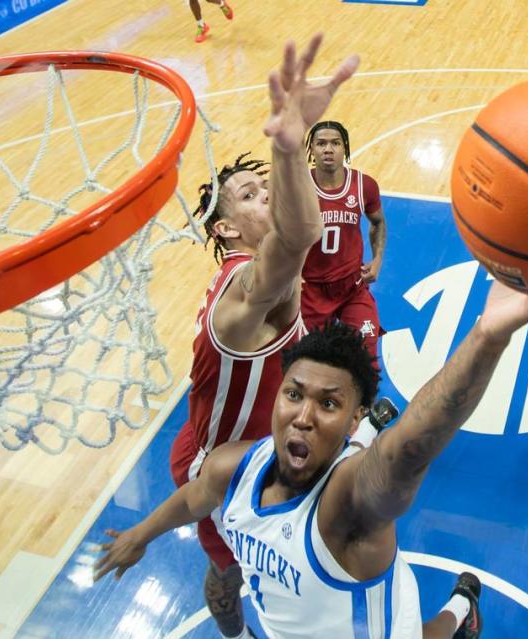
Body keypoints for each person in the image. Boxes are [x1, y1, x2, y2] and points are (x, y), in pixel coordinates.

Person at [98, 283, 528, 637]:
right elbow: (194, 499)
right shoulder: (231, 467)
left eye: (327, 404)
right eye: (294, 394)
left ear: (352, 417)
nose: (302, 416)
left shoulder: (350, 506)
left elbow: (410, 449)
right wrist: (141, 533)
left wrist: (488, 335)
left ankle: (462, 608)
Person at [166, 34, 359, 639]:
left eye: (268, 186)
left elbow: (296, 231)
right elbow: (297, 236)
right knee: (234, 575)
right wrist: (286, 144)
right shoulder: (247, 292)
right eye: (250, 195)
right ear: (225, 227)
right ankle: (239, 634)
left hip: (253, 441)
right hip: (222, 472)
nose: (268, 195)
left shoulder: (275, 278)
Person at [302, 121, 387, 358]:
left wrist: (377, 259)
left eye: (335, 143)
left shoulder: (364, 186)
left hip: (353, 287)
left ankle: (365, 397)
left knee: (365, 360)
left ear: (345, 149)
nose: (328, 149)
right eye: (321, 143)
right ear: (311, 150)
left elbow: (378, 222)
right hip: (311, 290)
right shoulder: (298, 188)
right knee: (306, 361)